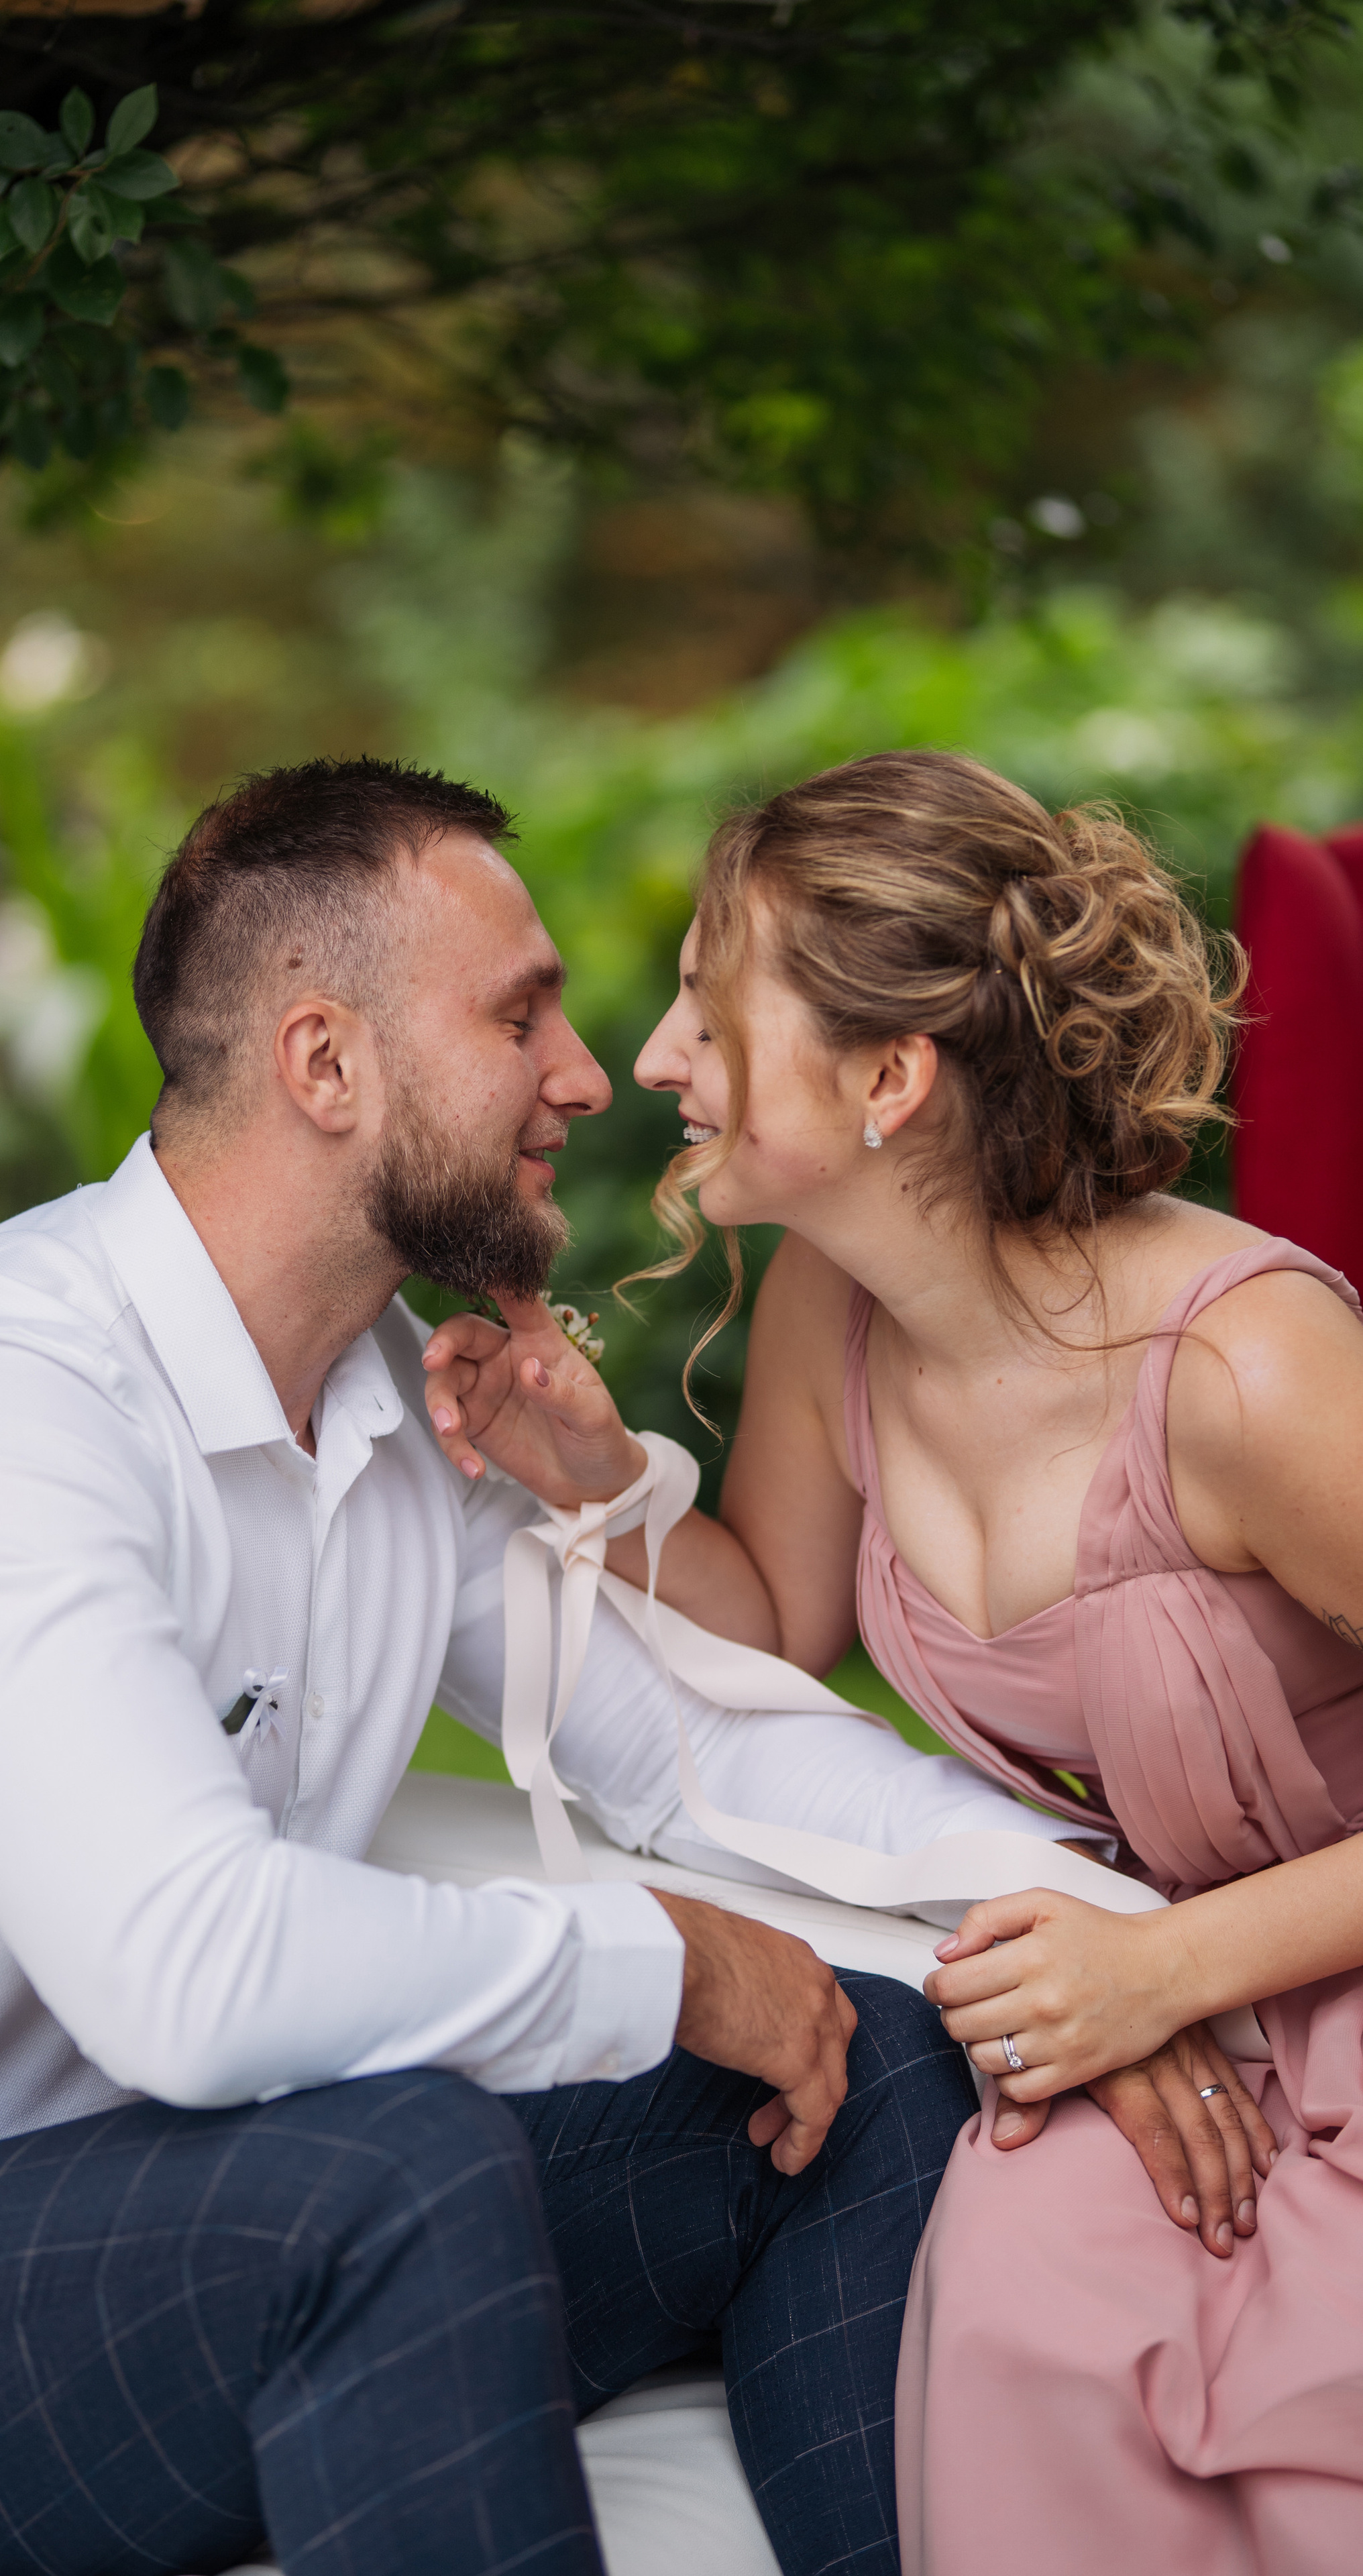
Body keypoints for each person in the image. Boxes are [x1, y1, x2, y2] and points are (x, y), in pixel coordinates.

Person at [0, 758, 1075, 2576]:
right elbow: (193, 1978)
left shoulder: (401, 1404)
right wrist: (666, 1959)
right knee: (399, 2172)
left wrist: (1107, 1918)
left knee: (873, 2061)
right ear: (325, 1065)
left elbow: (692, 1750)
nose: (586, 1074)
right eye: (520, 1015)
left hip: (185, 2250)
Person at [547, 746, 1363, 2573]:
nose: (657, 1057)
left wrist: (1171, 1970)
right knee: (1009, 2320)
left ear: (892, 1079)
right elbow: (775, 1619)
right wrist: (591, 1473)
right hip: (1129, 1993)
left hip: (1265, 1965)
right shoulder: (840, 1299)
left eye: (707, 999)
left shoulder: (1247, 1377)